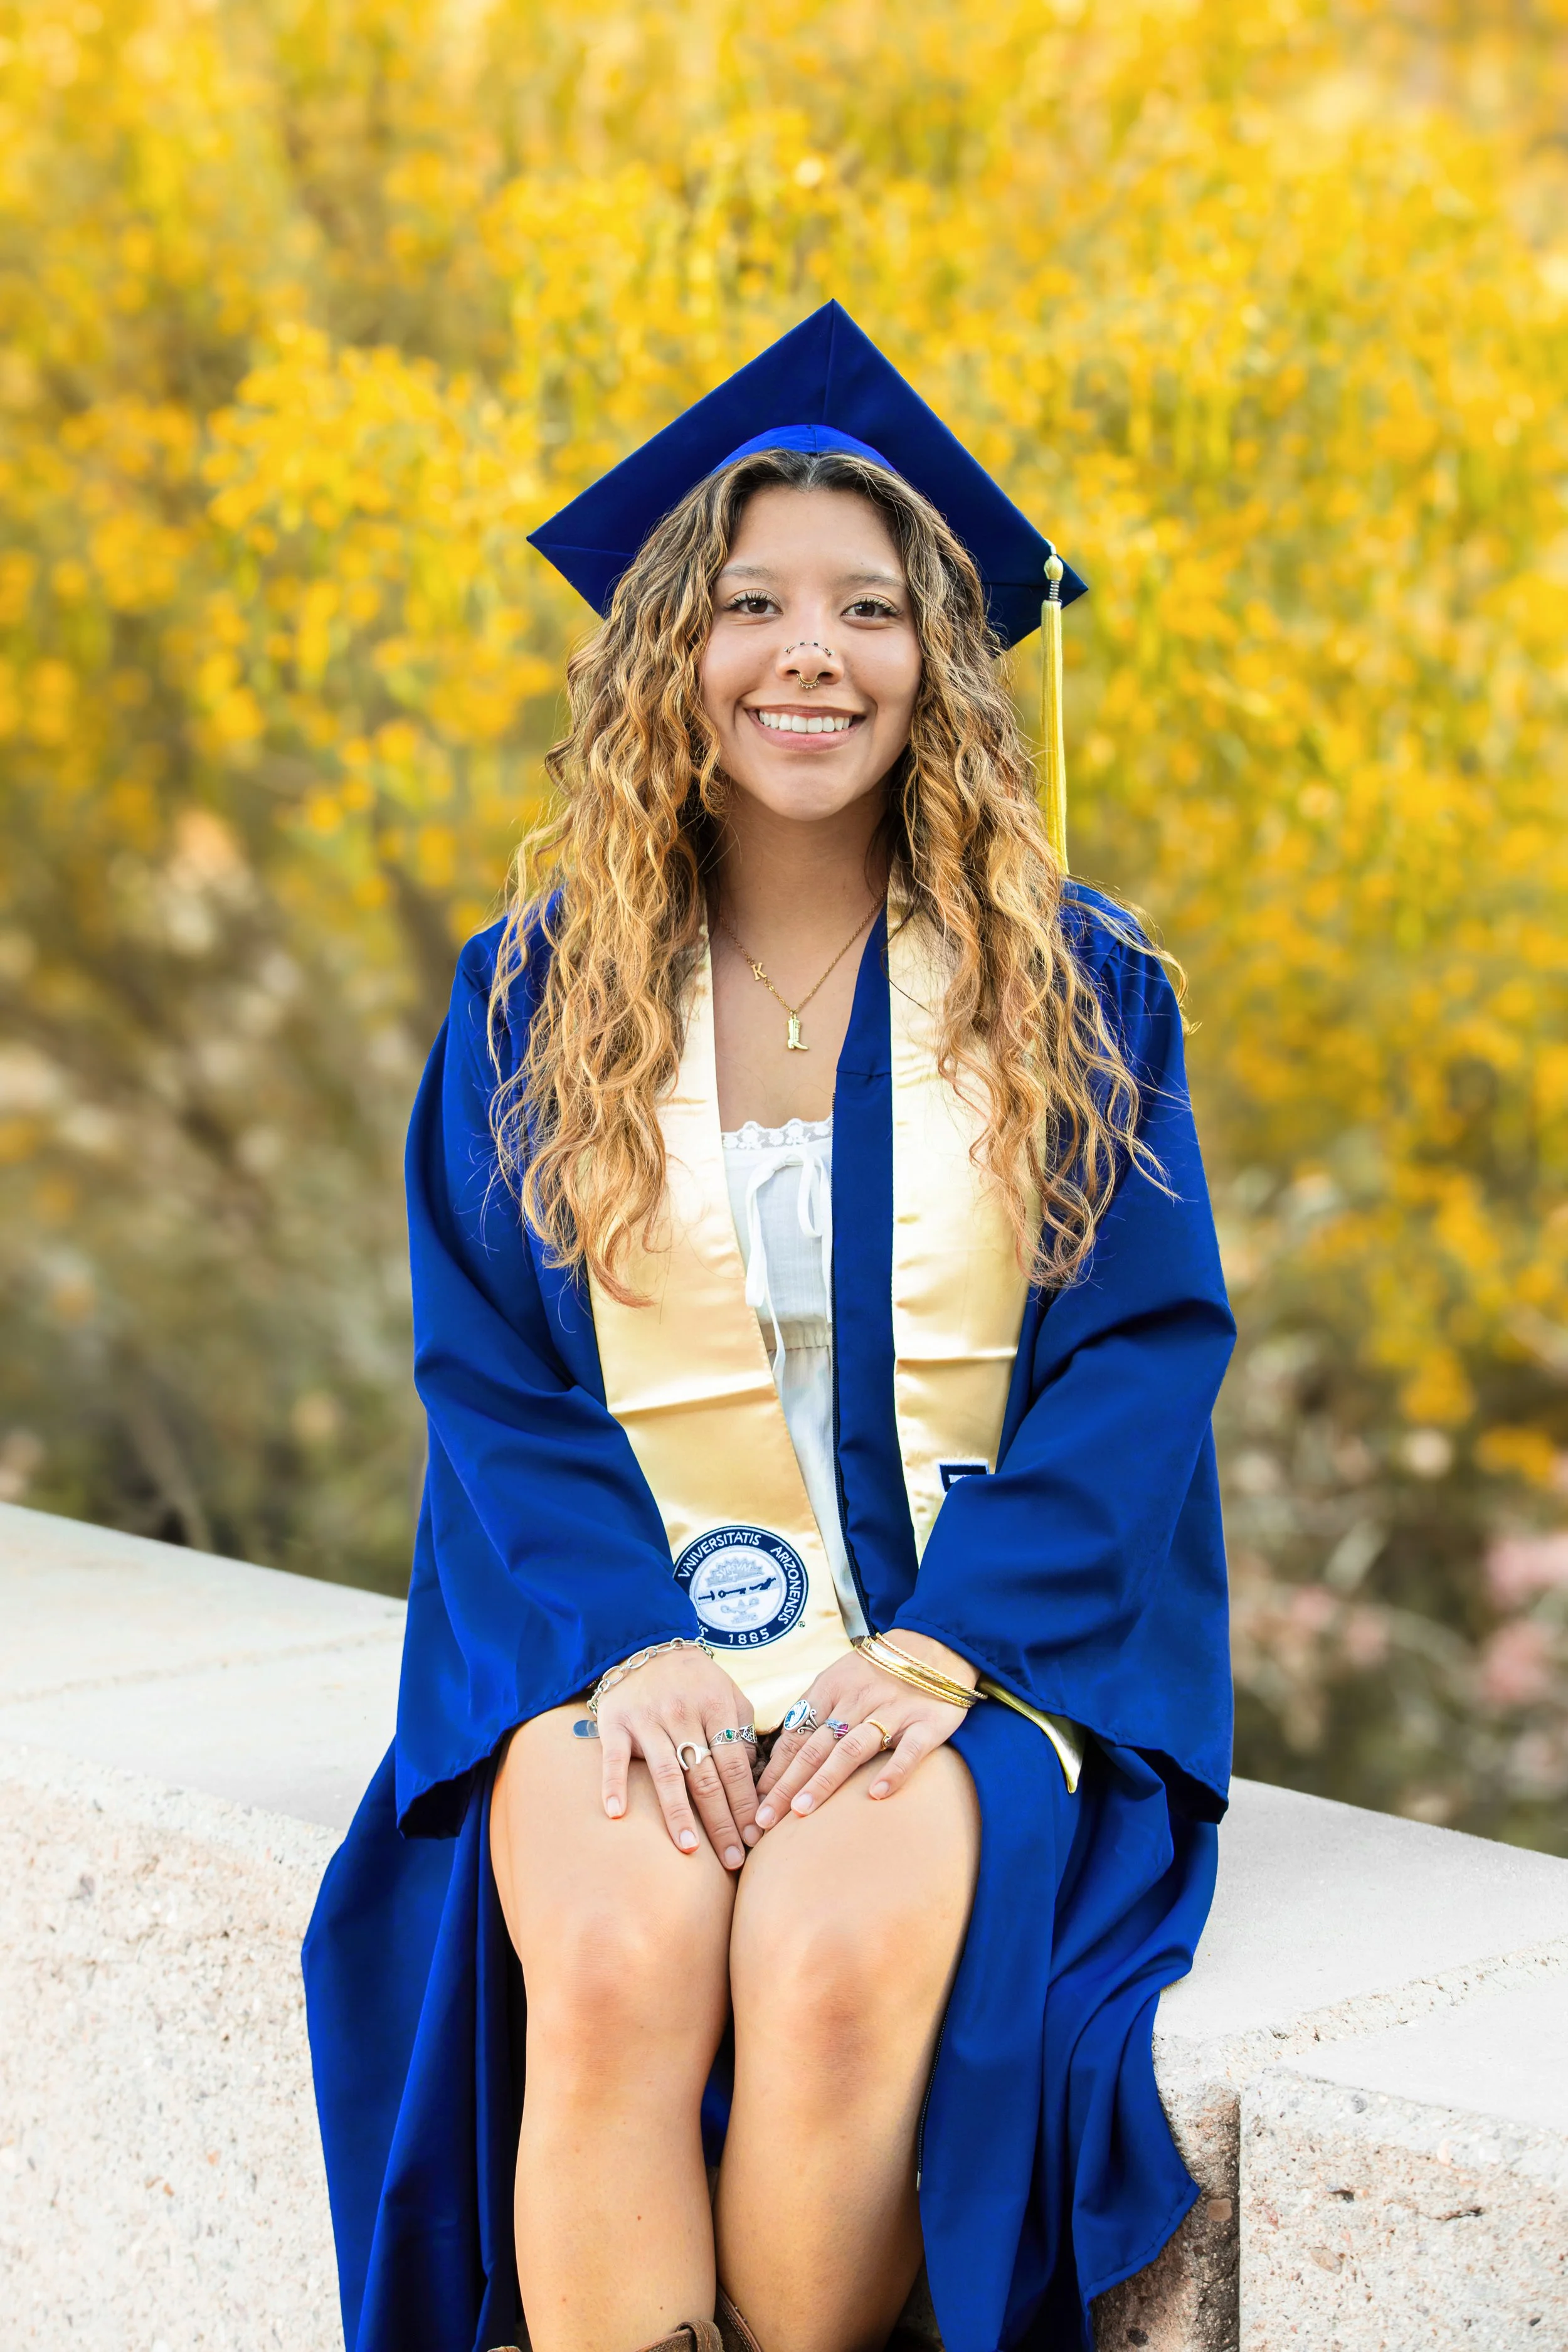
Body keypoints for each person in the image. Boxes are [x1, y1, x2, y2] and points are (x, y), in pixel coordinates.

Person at [304, 302, 1236, 2352]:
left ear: (941, 665)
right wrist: (621, 1637)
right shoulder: (528, 999)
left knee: (822, 1970)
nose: (811, 651)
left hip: (954, 1631)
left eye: (869, 609)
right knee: (624, 1958)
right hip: (613, 1622)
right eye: (749, 603)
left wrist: (946, 1643)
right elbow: (491, 1375)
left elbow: (1141, 1356)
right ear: (668, 654)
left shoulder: (1074, 994)